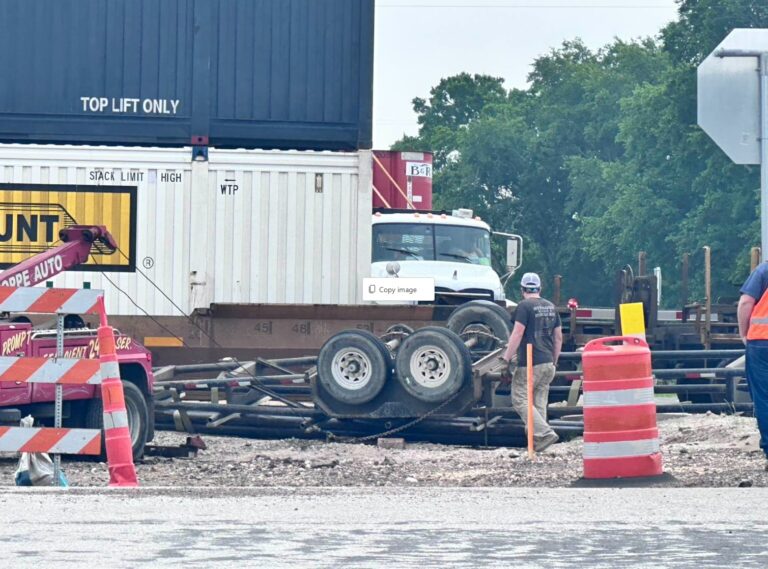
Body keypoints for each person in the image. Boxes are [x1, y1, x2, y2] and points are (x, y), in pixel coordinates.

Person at [501, 272, 563, 452]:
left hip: (530, 362)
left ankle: (544, 433)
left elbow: (517, 333)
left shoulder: (524, 306)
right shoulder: (551, 307)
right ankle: (537, 444)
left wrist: (506, 358)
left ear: (522, 290)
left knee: (520, 399)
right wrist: (554, 361)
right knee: (538, 403)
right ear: (539, 289)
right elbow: (558, 338)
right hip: (548, 363)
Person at [737, 262, 768, 468]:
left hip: (762, 343)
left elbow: (746, 302)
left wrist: (743, 333)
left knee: (765, 398)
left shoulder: (764, 271)